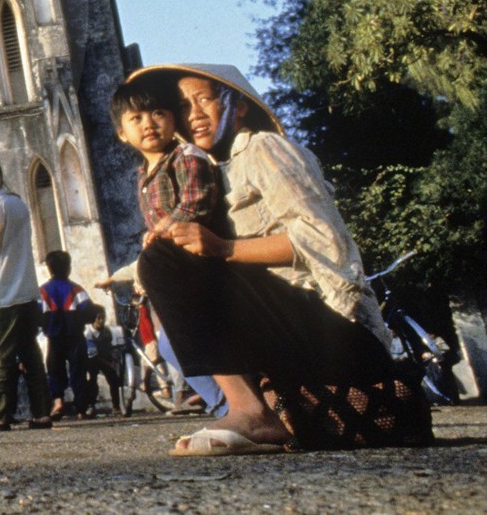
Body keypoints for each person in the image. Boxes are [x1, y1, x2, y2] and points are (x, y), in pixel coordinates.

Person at [130, 63, 431, 455]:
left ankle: (249, 411)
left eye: (204, 100)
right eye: (184, 106)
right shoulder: (209, 170)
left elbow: (325, 241)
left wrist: (222, 248)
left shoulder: (265, 148)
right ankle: (249, 410)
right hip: (293, 333)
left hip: (339, 332)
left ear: (238, 106)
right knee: (160, 259)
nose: (194, 115)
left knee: (165, 259)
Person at [0, 159, 52, 432]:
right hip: (26, 292)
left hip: (4, 293)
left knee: (2, 357)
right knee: (31, 356)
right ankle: (42, 413)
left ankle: (0, 414)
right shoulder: (17, 203)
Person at [111, 77, 226, 238]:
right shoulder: (143, 174)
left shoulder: (186, 156)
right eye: (137, 118)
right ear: (122, 134)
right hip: (168, 242)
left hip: (197, 240)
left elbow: (196, 205)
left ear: (173, 121)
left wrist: (163, 231)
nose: (149, 124)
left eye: (158, 113)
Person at [39, 250, 90, 419]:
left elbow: (37, 314)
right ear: (68, 268)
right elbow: (88, 310)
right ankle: (81, 408)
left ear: (49, 269)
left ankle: (58, 401)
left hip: (54, 338)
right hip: (75, 337)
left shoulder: (43, 291)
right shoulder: (76, 289)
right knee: (78, 371)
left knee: (55, 370)